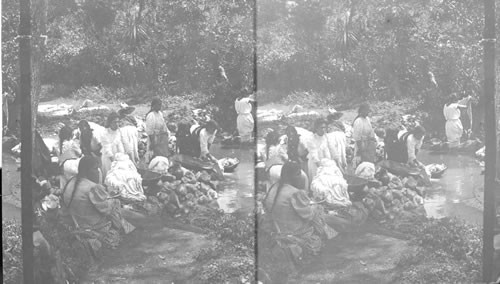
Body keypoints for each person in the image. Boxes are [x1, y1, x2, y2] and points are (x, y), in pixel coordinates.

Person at [262, 161, 338, 269]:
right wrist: (315, 207)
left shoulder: (273, 187)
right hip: (292, 232)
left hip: (276, 228)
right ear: (290, 175)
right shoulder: (295, 192)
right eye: (298, 174)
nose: (300, 177)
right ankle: (327, 250)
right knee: (318, 217)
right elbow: (309, 215)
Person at [62, 156, 135, 250]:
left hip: (75, 222)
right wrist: (112, 199)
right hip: (91, 225)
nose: (98, 171)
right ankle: (124, 230)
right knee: (115, 204)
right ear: (86, 170)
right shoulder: (92, 187)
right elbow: (106, 210)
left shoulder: (70, 181)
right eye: (95, 168)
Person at [101, 112, 125, 179]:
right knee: (110, 176)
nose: (117, 124)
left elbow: (120, 144)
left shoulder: (118, 131)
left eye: (118, 122)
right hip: (108, 159)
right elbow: (107, 150)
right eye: (114, 122)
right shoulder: (105, 134)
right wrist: (114, 163)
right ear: (110, 123)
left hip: (117, 157)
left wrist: (122, 157)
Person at [145, 97, 170, 161]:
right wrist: (153, 141)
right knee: (154, 154)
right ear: (153, 105)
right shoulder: (151, 115)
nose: (160, 106)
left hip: (161, 137)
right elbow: (150, 130)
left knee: (162, 154)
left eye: (160, 105)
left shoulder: (160, 114)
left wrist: (166, 133)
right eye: (158, 105)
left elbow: (163, 124)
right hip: (154, 137)